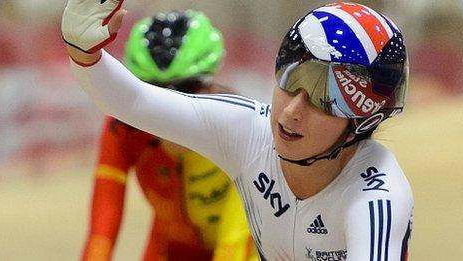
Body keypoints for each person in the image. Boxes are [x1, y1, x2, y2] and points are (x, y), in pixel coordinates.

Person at [63, 1, 413, 260]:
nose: (291, 112)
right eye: (290, 81)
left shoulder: (377, 196)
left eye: (324, 101)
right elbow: (133, 100)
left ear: (362, 122)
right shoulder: (248, 130)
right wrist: (84, 54)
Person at [80, 11, 257, 261]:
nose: (171, 109)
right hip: (170, 248)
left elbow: (234, 242)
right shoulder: (123, 129)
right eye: (154, 93)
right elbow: (101, 233)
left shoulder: (242, 128)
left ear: (211, 84)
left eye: (187, 90)